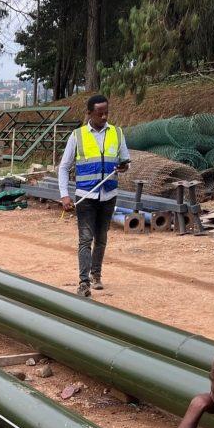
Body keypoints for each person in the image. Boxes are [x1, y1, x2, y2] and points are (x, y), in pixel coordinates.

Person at [58, 94, 130, 297]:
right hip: (85, 197)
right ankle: (83, 282)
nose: (105, 117)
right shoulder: (77, 136)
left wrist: (124, 167)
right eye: (100, 113)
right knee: (85, 239)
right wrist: (65, 196)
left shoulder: (117, 133)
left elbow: (125, 162)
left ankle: (96, 274)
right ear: (89, 113)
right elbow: (63, 168)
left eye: (107, 112)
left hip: (109, 195)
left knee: (101, 237)